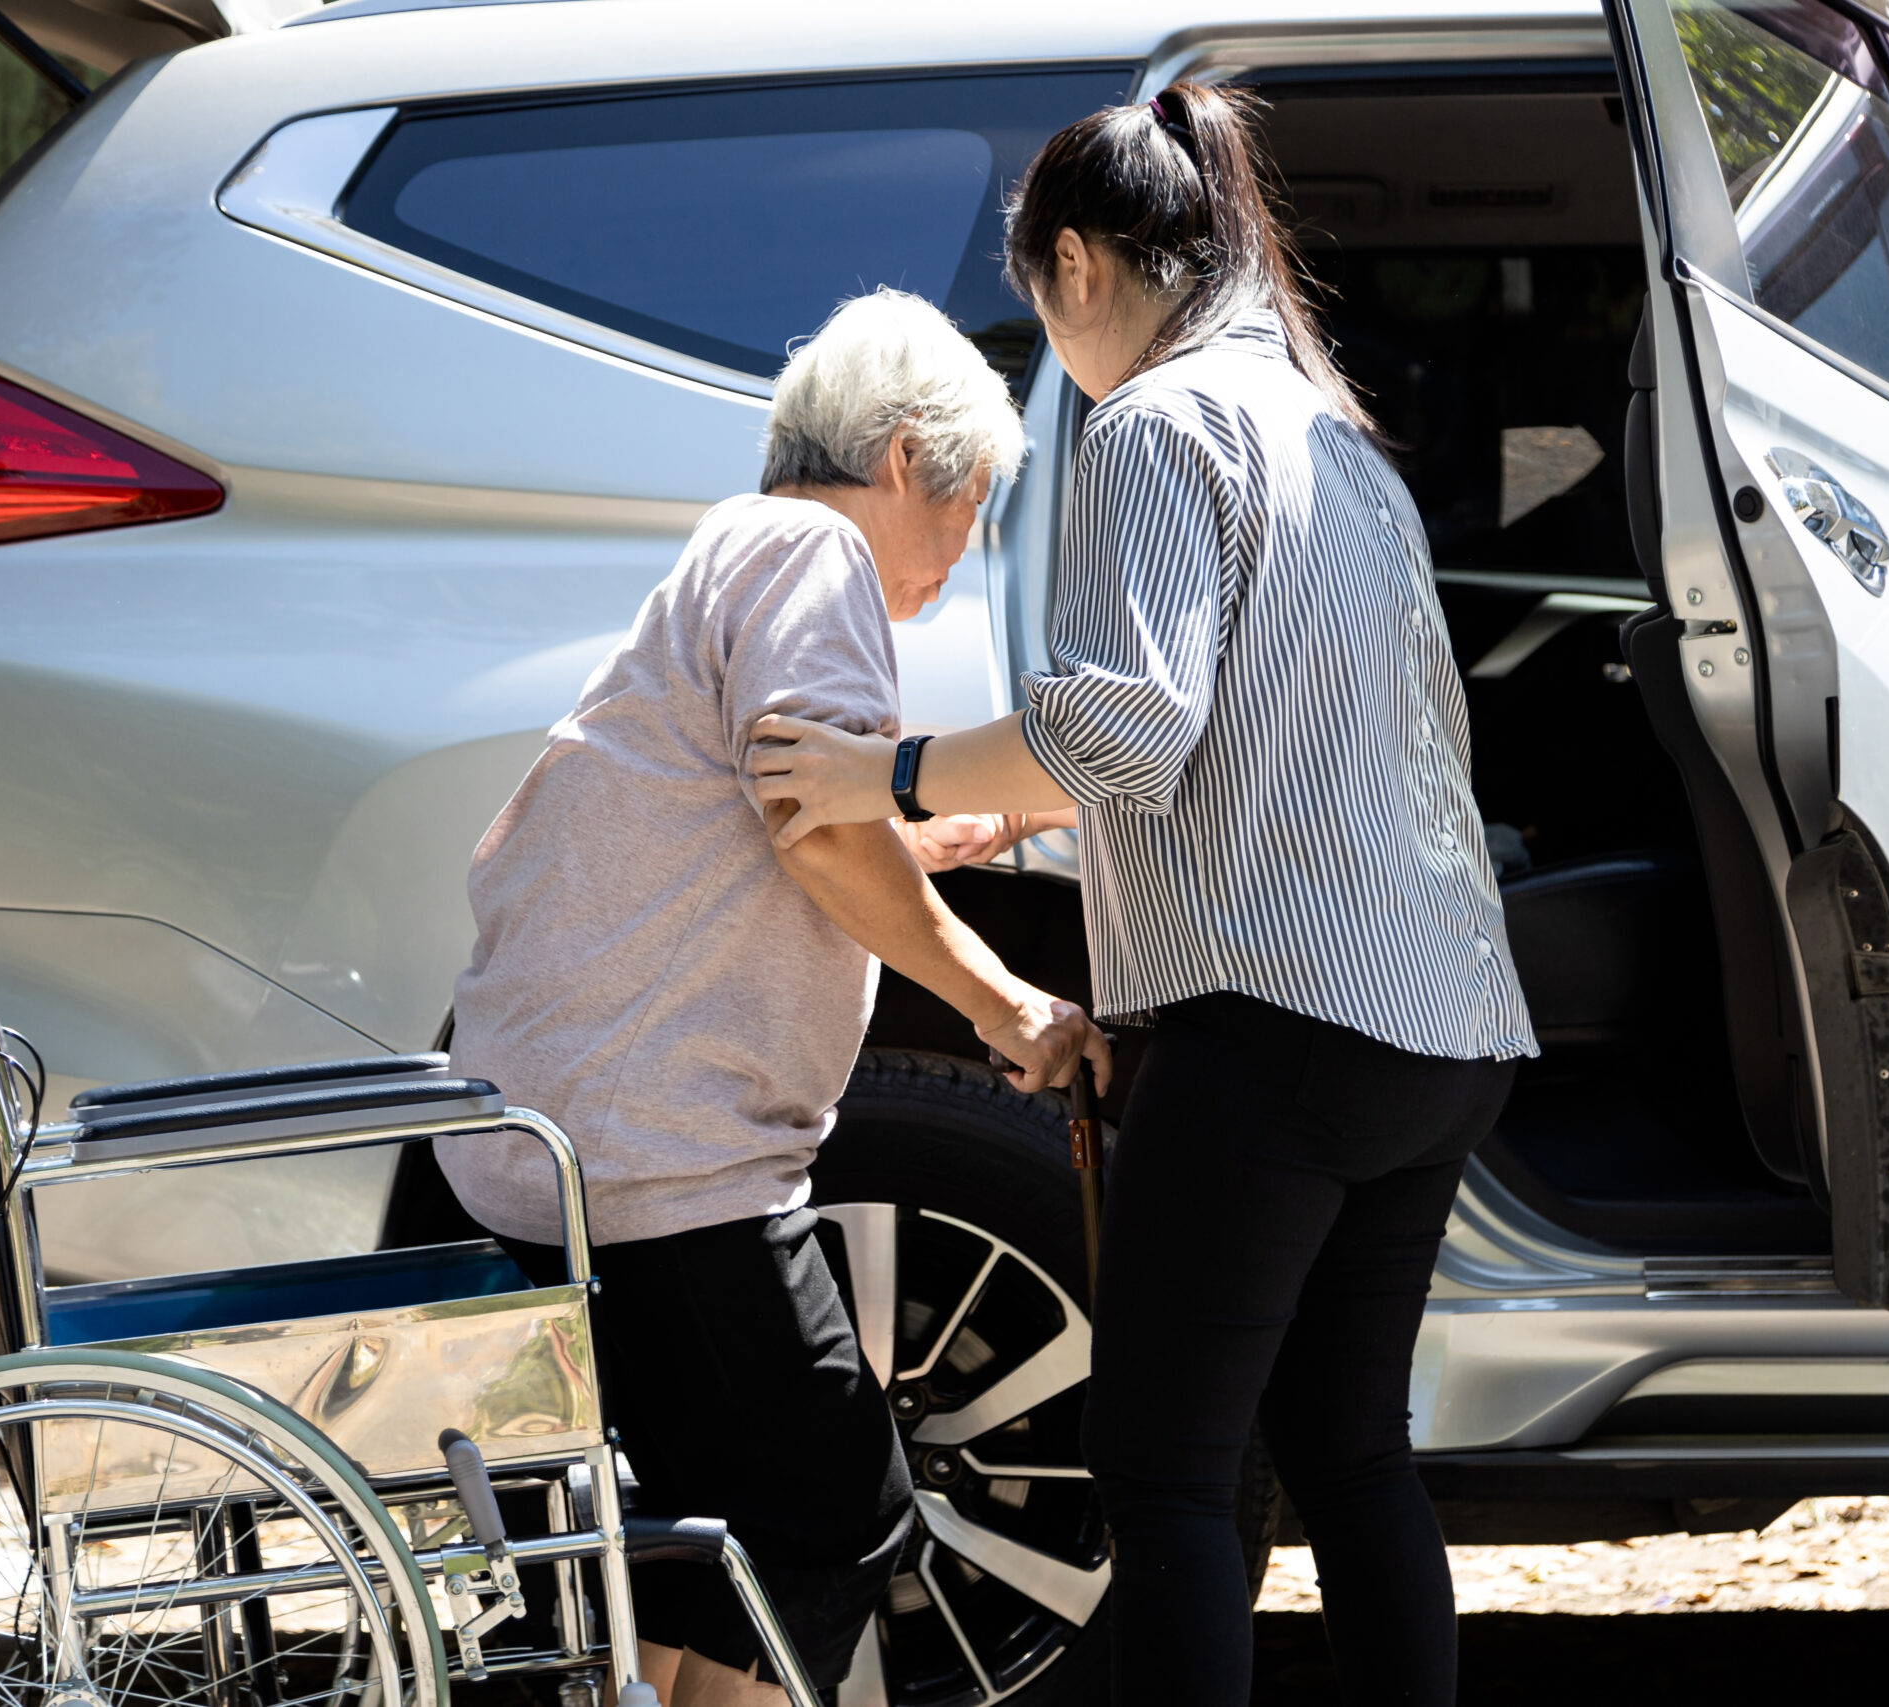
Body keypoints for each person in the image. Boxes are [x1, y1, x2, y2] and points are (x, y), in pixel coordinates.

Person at [748, 84, 1537, 1707]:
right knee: (1348, 1450)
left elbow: (1127, 716)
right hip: (1444, 1026)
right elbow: (1274, 749)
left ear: (1083, 263)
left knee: (1165, 1468)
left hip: (1275, 1032)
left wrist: (880, 774)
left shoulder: (1156, 426)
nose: (1050, 348)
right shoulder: (1333, 432)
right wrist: (1013, 823)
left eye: (1036, 297)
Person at [436, 288, 1111, 1707]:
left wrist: (933, 835)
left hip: (587, 1140)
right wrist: (1005, 1004)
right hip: (665, 1156)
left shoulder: (738, 549)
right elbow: (816, 831)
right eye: (973, 505)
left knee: (716, 1537)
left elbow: (760, 812)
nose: (962, 553)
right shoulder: (814, 551)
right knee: (835, 1517)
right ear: (908, 457)